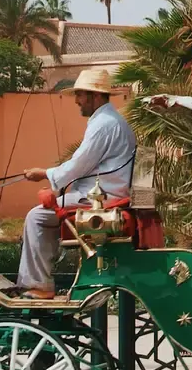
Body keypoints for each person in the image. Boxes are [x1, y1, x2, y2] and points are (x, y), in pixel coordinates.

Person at [16, 67, 137, 298]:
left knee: (36, 217)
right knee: (43, 216)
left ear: (96, 96)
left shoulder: (105, 124)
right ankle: (41, 282)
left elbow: (78, 164)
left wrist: (44, 173)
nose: (77, 101)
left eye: (80, 94)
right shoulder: (108, 121)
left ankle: (39, 285)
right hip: (101, 194)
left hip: (101, 200)